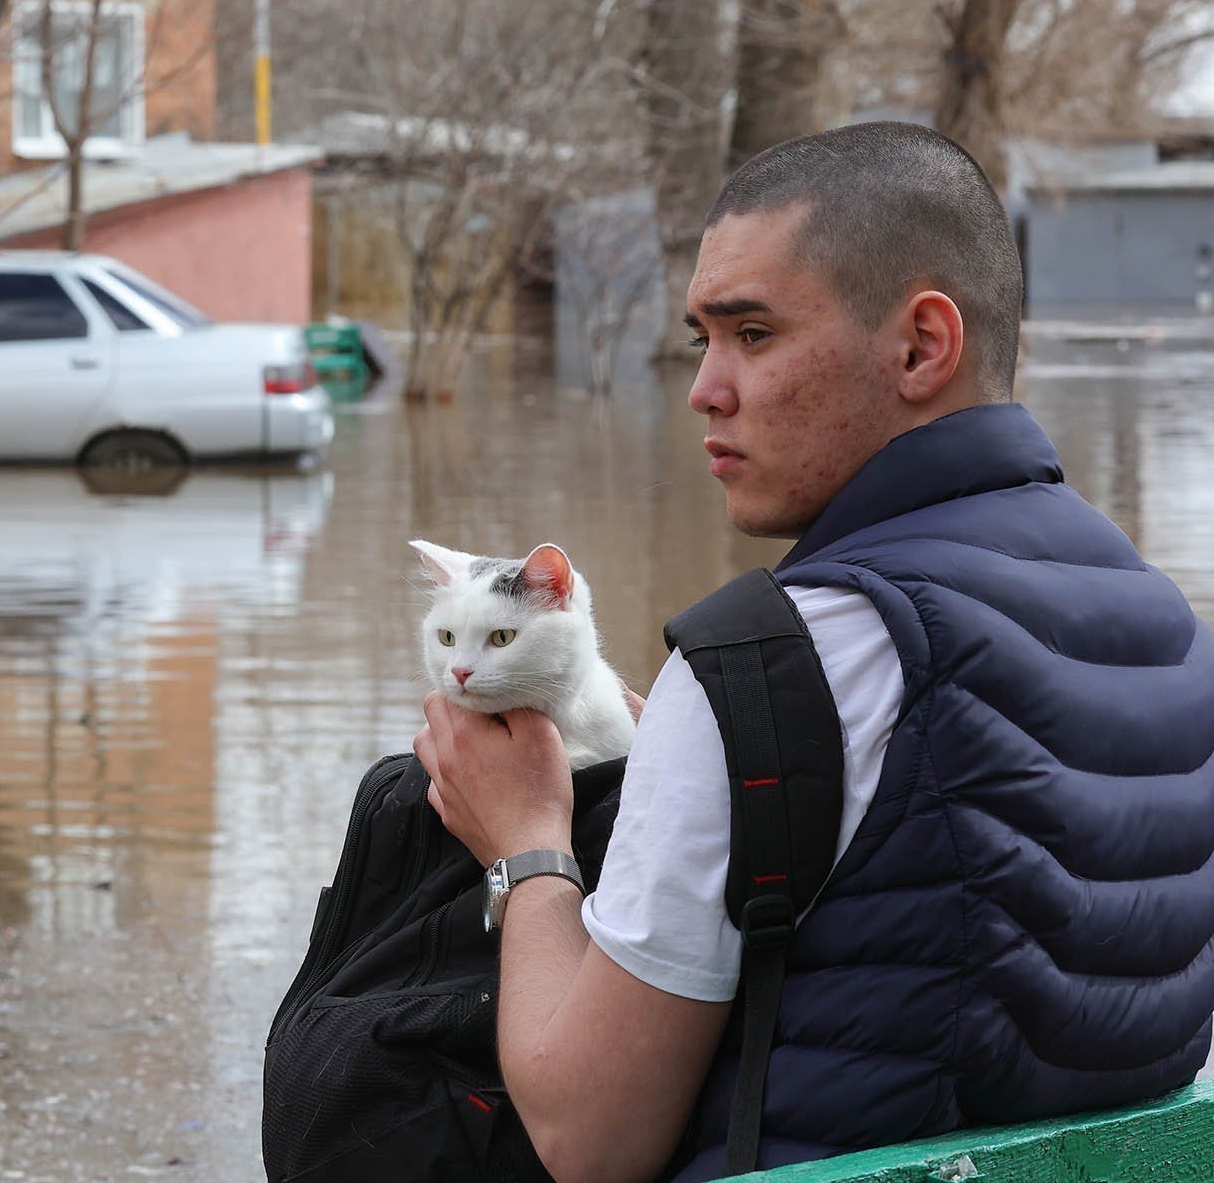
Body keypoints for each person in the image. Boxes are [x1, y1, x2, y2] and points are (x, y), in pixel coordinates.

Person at [414, 121, 1214, 1183]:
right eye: (703, 337)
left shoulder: (765, 665)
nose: (704, 387)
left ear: (924, 346)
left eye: (752, 332)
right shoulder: (1165, 626)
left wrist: (527, 841)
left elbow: (586, 1137)